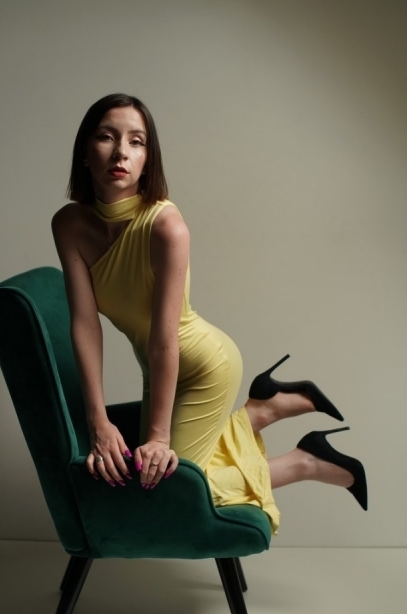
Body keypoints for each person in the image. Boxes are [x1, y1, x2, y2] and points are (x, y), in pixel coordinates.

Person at [52, 93, 367, 534]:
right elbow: (85, 325)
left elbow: (164, 340)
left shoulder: (166, 227)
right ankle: (261, 410)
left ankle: (306, 461)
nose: (121, 151)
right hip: (157, 368)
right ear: (86, 152)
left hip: (203, 367)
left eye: (137, 142)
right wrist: (98, 421)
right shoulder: (69, 224)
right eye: (107, 137)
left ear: (147, 160)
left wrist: (159, 437)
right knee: (157, 479)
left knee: (171, 491)